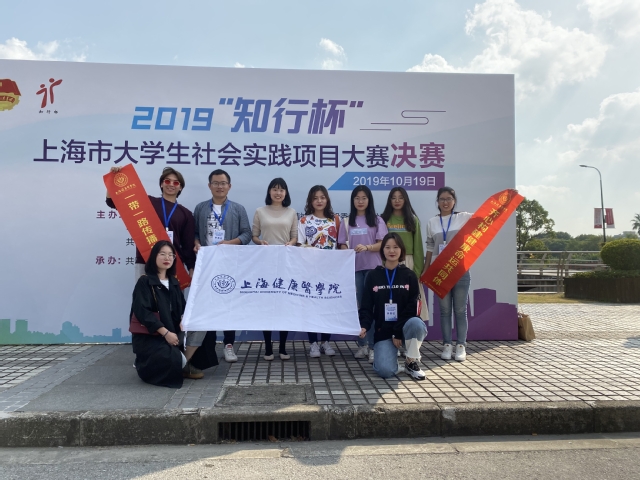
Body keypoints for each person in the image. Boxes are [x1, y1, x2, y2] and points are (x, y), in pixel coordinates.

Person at [192, 169, 252, 364]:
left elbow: (247, 234)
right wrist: (196, 243)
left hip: (230, 263)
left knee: (229, 304)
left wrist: (229, 243)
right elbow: (194, 233)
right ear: (209, 186)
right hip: (207, 264)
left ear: (229, 186)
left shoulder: (238, 209)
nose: (219, 186)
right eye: (216, 183)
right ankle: (208, 345)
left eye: (223, 183)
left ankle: (229, 344)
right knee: (208, 304)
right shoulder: (200, 208)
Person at [105, 167, 196, 281]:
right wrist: (113, 178)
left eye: (176, 182)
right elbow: (113, 202)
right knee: (145, 293)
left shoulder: (186, 214)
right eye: (167, 181)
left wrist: (191, 268)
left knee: (172, 293)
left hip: (173, 264)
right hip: (146, 260)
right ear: (161, 184)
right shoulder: (147, 202)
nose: (171, 184)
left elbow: (188, 246)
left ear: (180, 187)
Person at [358, 233, 427, 380]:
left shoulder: (409, 275)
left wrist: (397, 332)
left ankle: (411, 361)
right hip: (383, 331)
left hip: (404, 328)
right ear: (382, 250)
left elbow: (412, 307)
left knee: (417, 323)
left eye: (395, 247)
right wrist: (364, 325)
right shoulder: (373, 276)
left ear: (401, 250)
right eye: (387, 247)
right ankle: (393, 363)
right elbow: (366, 305)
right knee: (385, 371)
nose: (391, 251)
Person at [338, 185, 388, 364]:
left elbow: (383, 244)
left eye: (364, 198)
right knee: (359, 308)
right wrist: (346, 250)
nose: (360, 201)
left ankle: (373, 346)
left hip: (374, 269)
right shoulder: (346, 221)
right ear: (352, 200)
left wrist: (367, 247)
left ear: (369, 200)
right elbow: (341, 244)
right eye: (357, 198)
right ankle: (362, 345)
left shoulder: (377, 220)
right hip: (354, 269)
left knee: (373, 308)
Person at [423, 186, 473, 362]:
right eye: (442, 199)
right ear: (437, 202)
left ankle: (461, 346)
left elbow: (486, 218)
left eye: (449, 199)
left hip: (460, 270)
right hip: (440, 273)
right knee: (444, 311)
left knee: (460, 310)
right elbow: (430, 247)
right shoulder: (432, 222)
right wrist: (426, 269)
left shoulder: (463, 217)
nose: (445, 202)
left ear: (454, 201)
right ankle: (446, 345)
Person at [130, 240, 187, 388]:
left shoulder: (174, 282)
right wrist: (165, 333)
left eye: (170, 255)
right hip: (153, 335)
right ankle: (180, 362)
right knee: (171, 359)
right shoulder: (145, 282)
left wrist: (183, 318)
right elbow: (143, 312)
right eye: (162, 254)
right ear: (154, 256)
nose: (167, 258)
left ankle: (183, 362)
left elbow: (183, 307)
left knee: (203, 332)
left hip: (175, 330)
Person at [252, 177, 298, 361]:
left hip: (286, 263)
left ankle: (283, 347)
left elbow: (294, 236)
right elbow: (254, 235)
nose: (278, 193)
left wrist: (290, 243)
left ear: (286, 193)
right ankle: (268, 347)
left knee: (283, 305)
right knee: (268, 305)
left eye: (281, 190)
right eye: (275, 189)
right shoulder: (260, 211)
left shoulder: (291, 212)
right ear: (269, 191)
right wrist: (260, 242)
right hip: (266, 263)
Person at [297, 185, 339, 358]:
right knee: (311, 306)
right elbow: (299, 244)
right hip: (310, 270)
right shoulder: (304, 220)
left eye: (322, 197)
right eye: (315, 198)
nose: (319, 201)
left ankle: (325, 342)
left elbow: (341, 244)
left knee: (327, 305)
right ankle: (313, 343)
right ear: (310, 201)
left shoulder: (335, 220)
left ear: (327, 199)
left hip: (330, 270)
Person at [381, 187, 428, 322]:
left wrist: (417, 271)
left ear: (405, 199)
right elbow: (381, 244)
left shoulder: (412, 219)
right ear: (389, 200)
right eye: (394, 198)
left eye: (400, 198)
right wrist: (383, 265)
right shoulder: (383, 219)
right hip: (389, 263)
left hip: (409, 262)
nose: (397, 201)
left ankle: (412, 330)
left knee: (410, 300)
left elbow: (418, 247)